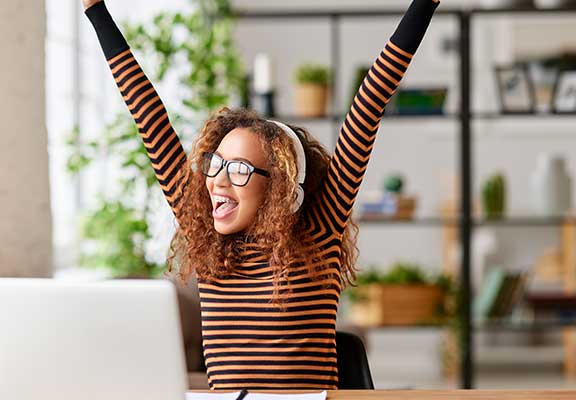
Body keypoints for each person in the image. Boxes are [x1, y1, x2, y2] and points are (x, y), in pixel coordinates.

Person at [83, 0, 440, 390]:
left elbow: (368, 106)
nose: (217, 180)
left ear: (282, 189)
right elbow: (149, 118)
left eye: (239, 169)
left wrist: (425, 4)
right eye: (215, 164)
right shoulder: (206, 240)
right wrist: (96, 9)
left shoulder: (318, 232)